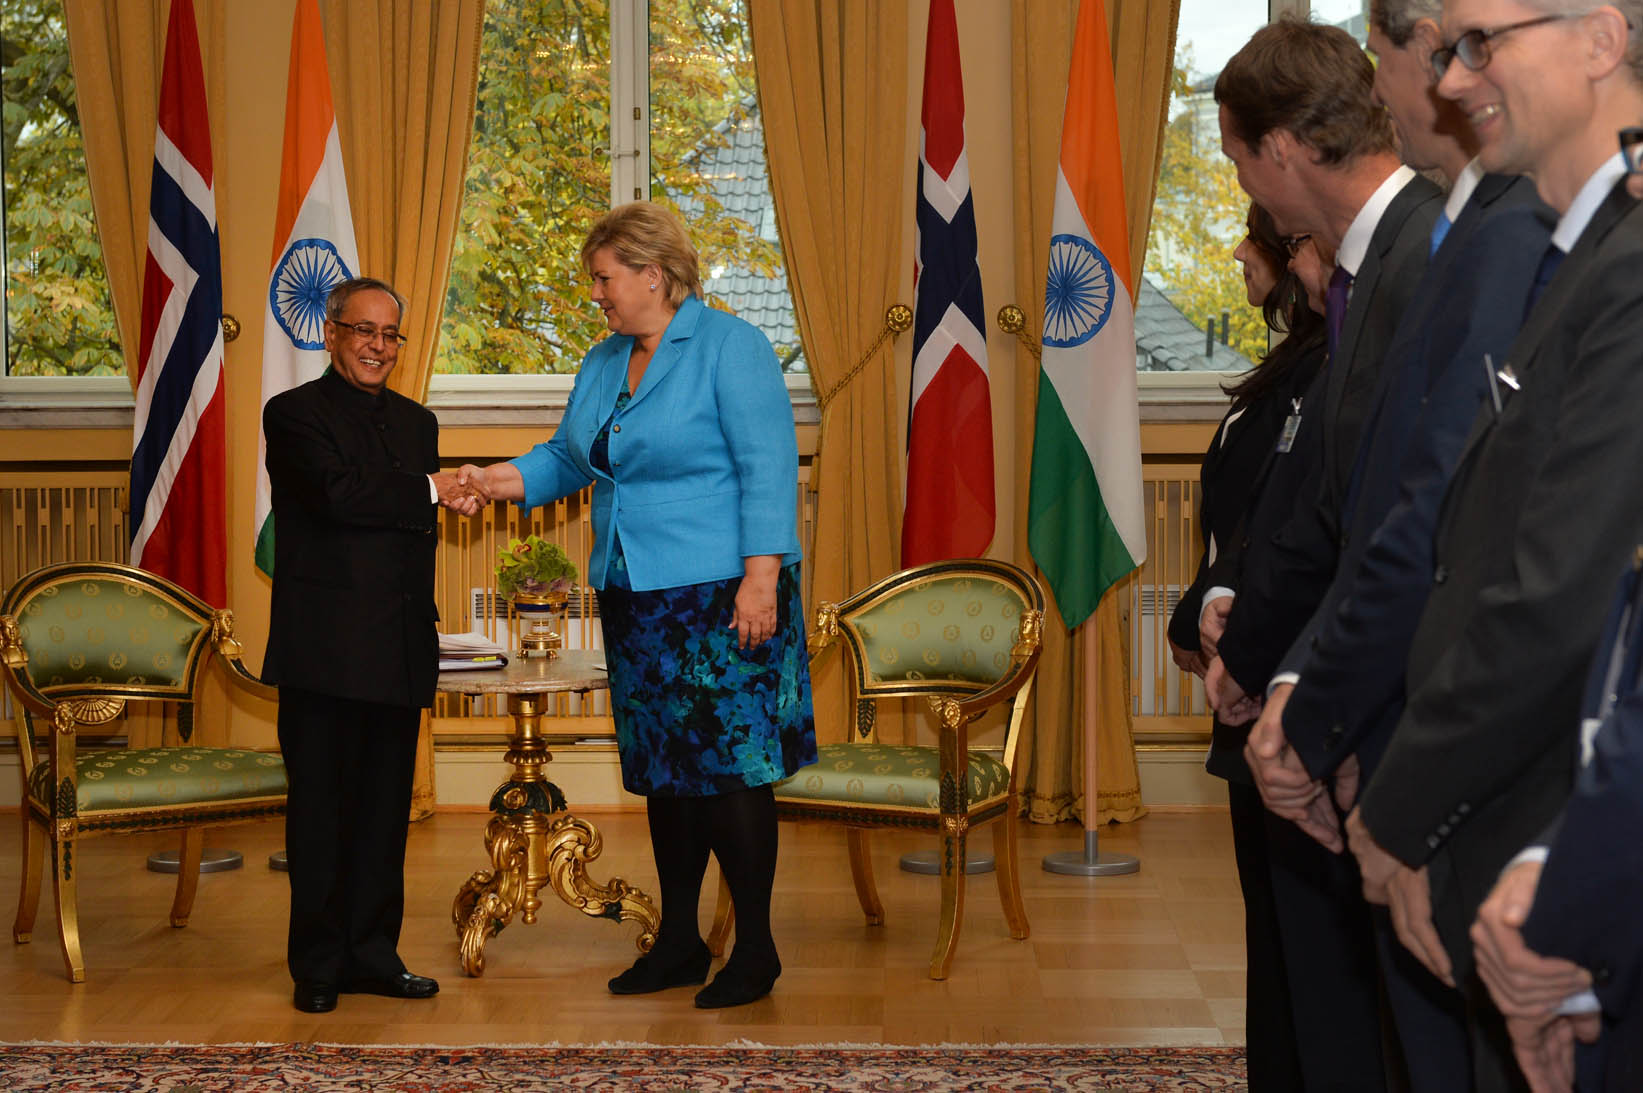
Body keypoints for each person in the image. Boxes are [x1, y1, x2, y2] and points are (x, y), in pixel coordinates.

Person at [1339, 0, 1643, 1087]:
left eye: (1479, 43)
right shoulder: (1575, 252)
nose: (1452, 77)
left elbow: (1553, 593)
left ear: (1600, 41)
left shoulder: (1626, 265)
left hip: (1563, 835)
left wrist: (1401, 807)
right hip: (1521, 824)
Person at [452, 201, 815, 1009]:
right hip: (636, 594)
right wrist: (486, 479)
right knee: (666, 774)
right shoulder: (602, 360)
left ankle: (754, 949)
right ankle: (680, 942)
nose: (596, 294)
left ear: (653, 275)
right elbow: (564, 461)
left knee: (732, 773)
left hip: (725, 593)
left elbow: (768, 466)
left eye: (604, 278)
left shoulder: (730, 346)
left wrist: (762, 578)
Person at [263, 276, 476, 1014]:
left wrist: (440, 491)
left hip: (396, 646)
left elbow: (413, 528)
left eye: (391, 335)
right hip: (323, 650)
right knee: (321, 813)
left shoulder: (419, 424)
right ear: (331, 332)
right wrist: (432, 489)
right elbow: (336, 495)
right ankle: (318, 964)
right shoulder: (291, 413)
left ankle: (374, 954)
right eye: (364, 331)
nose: (378, 347)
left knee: (386, 813)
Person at [1166, 203, 1326, 1091]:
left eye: (1260, 239)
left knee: (1297, 935)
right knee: (1269, 931)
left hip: (1285, 675)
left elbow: (1284, 525)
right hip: (1250, 662)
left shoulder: (1328, 363)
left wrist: (1211, 607)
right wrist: (1201, 606)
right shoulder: (1283, 366)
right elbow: (1241, 525)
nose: (1237, 252)